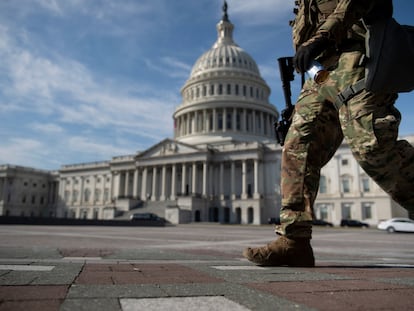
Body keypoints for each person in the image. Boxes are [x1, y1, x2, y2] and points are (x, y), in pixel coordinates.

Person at [243, 0, 414, 267]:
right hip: (319, 70)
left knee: (373, 145)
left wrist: (320, 39)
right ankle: (293, 241)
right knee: (298, 148)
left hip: (359, 56)